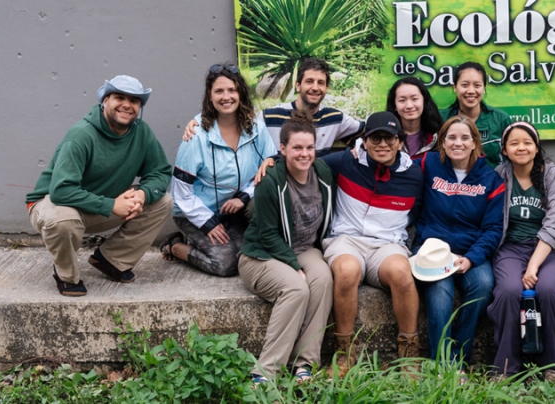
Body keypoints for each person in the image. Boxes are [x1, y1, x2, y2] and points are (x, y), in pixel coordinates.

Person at [26, 75, 173, 296]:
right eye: (119, 97)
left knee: (162, 202)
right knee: (63, 220)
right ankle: (66, 275)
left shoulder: (142, 132)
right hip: (53, 205)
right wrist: (111, 205)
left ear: (139, 107)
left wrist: (142, 194)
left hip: (99, 205)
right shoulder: (81, 134)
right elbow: (61, 191)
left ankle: (111, 260)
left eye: (134, 100)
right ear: (105, 101)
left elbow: (160, 172)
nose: (126, 104)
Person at [321, 111, 424, 375]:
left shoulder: (414, 174)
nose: (382, 144)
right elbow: (304, 160)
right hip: (346, 239)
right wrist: (273, 161)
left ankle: (408, 354)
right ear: (364, 141)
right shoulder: (346, 161)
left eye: (390, 138)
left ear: (400, 142)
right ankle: (344, 355)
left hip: (387, 244)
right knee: (346, 271)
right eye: (375, 138)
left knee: (402, 273)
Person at [238, 111, 334, 384]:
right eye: (297, 148)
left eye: (309, 147)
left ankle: (305, 364)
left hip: (304, 248)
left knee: (324, 279)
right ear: (282, 149)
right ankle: (266, 372)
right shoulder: (270, 182)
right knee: (296, 288)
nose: (304, 154)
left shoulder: (323, 172)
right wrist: (294, 266)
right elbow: (267, 235)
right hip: (262, 255)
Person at [487, 121, 555, 381]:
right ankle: (506, 366)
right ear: (504, 149)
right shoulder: (499, 175)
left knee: (549, 290)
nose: (521, 147)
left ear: (537, 146)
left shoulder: (553, 175)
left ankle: (554, 364)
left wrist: (533, 267)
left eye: (527, 142)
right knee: (507, 291)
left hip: (551, 250)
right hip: (511, 249)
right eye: (514, 143)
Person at [162, 64, 276, 276]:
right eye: (219, 91)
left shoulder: (255, 126)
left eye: (232, 90)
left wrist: (243, 196)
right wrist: (208, 224)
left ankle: (205, 243)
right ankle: (175, 247)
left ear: (240, 93)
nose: (226, 97)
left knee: (248, 256)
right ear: (210, 95)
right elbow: (181, 192)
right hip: (194, 213)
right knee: (225, 264)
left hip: (231, 211)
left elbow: (270, 164)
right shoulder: (196, 134)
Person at [412, 116, 504, 376]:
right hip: (432, 250)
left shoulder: (490, 179)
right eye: (451, 137)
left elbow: (493, 228)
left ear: (475, 142)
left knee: (483, 284)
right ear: (442, 142)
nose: (458, 143)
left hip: (470, 249)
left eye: (465, 137)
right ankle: (442, 362)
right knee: (441, 290)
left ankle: (459, 358)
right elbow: (393, 162)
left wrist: (472, 258)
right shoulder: (428, 164)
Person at [184, 58, 364, 156]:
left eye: (321, 83)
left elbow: (369, 128)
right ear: (298, 85)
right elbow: (233, 118)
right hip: (278, 187)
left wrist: (358, 146)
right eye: (309, 81)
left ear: (326, 88)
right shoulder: (271, 116)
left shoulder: (335, 118)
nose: (315, 87)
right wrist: (198, 120)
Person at [440, 62, 512, 168]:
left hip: (493, 182)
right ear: (455, 87)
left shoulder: (500, 119)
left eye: (477, 85)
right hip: (451, 182)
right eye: (464, 85)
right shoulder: (441, 119)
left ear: (484, 88)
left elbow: (511, 159)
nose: (471, 91)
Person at [385, 77, 442, 159]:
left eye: (414, 99)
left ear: (424, 101)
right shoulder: (385, 137)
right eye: (402, 100)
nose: (409, 106)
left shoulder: (438, 137)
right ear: (395, 106)